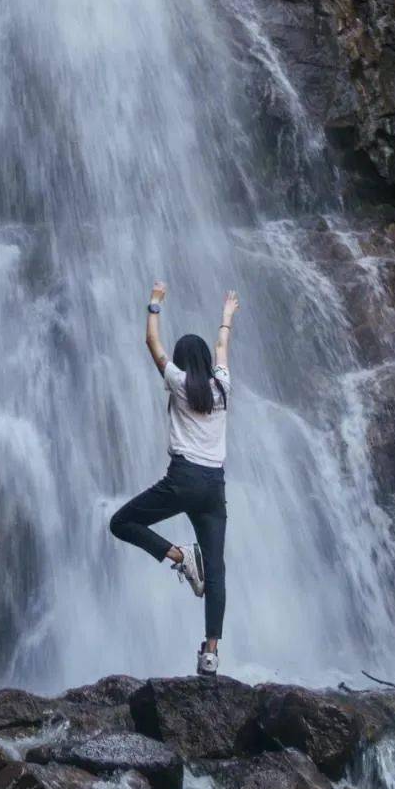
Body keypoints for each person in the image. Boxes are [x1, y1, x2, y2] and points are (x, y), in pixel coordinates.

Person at [110, 282, 240, 679]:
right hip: (214, 488)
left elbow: (152, 342)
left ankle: (181, 557)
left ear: (183, 363)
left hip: (183, 480)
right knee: (216, 572)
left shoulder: (177, 383)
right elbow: (221, 349)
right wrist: (226, 319)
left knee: (122, 523)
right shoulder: (222, 387)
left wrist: (155, 302)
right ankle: (211, 656)